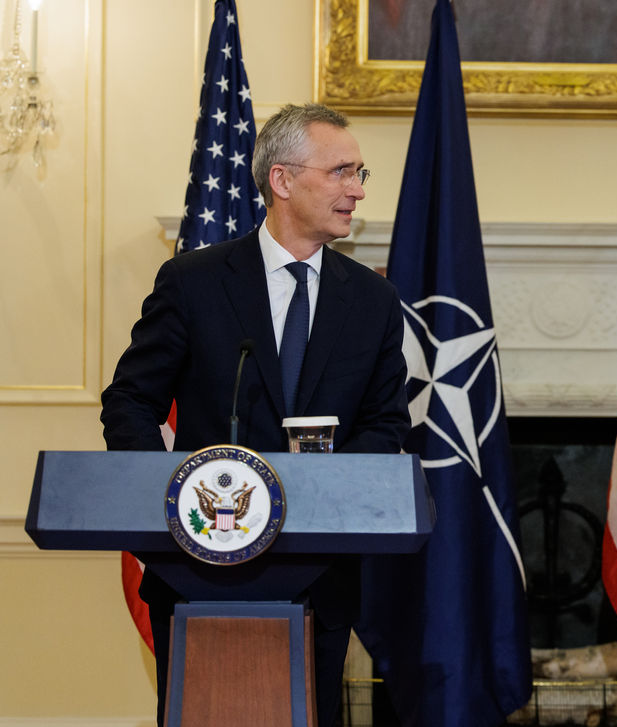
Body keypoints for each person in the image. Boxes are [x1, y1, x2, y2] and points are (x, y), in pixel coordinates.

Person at [101, 103, 410, 727]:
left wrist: (323, 490)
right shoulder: (194, 281)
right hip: (198, 569)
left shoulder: (373, 298)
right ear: (283, 180)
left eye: (361, 173)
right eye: (342, 171)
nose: (357, 189)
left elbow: (387, 423)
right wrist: (167, 502)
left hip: (319, 576)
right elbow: (130, 401)